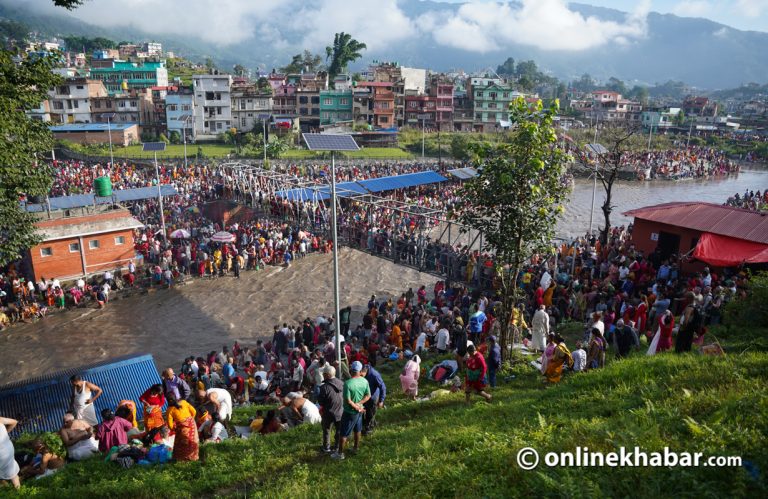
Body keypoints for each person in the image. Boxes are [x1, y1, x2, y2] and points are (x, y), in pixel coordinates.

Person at [331, 361, 370, 460]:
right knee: (358, 430)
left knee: (343, 433)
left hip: (350, 412)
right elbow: (368, 395)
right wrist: (360, 404)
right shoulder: (364, 381)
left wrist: (356, 406)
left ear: (351, 370)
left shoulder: (348, 383)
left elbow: (348, 400)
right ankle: (356, 448)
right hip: (360, 411)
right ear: (360, 371)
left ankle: (340, 454)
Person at [318, 365, 343, 454]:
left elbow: (320, 402)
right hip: (341, 412)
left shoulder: (324, 387)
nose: (323, 376)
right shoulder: (342, 383)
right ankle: (337, 447)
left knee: (327, 430)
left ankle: (326, 448)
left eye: (324, 374)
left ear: (327, 375)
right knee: (339, 430)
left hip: (329, 413)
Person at [166, 395, 199, 461]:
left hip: (181, 428)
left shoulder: (169, 410)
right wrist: (190, 419)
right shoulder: (183, 402)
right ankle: (194, 457)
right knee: (193, 440)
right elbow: (194, 411)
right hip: (191, 423)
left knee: (182, 443)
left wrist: (174, 429)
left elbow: (170, 425)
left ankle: (182, 459)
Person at [361, 364, 386, 435]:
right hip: (364, 396)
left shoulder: (374, 375)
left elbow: (383, 387)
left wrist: (381, 400)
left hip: (373, 397)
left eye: (361, 375)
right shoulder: (362, 373)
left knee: (371, 413)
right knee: (363, 411)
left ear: (364, 372)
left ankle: (369, 428)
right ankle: (365, 425)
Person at [0, 416, 20, 489]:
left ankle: (6, 489)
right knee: (13, 473)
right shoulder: (0, 419)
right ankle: (19, 491)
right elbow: (14, 422)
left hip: (1, 454)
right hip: (8, 450)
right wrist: (6, 433)